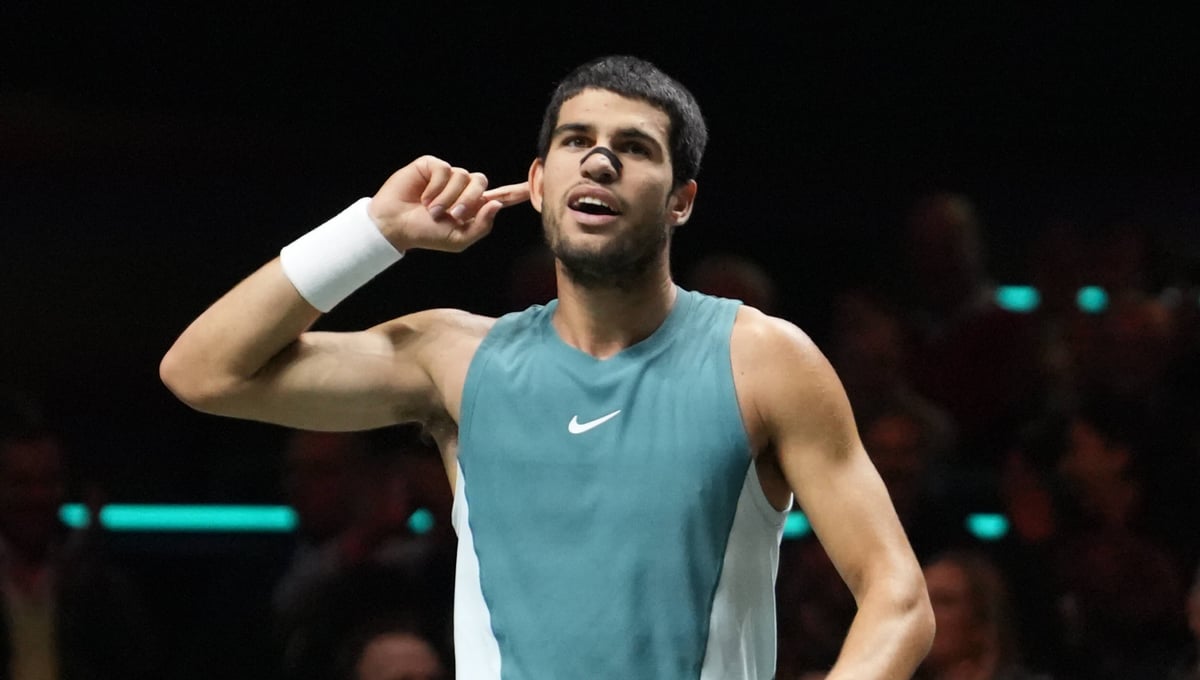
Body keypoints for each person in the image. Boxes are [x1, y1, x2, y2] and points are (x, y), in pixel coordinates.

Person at [160, 55, 933, 678]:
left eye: (634, 148)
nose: (599, 160)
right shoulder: (453, 360)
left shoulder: (764, 359)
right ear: (537, 183)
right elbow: (204, 372)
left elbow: (898, 600)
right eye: (575, 141)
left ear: (682, 201)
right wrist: (375, 232)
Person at [0, 388, 160, 680]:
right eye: (21, 482)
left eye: (48, 481)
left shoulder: (100, 582)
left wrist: (88, 570)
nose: (36, 496)